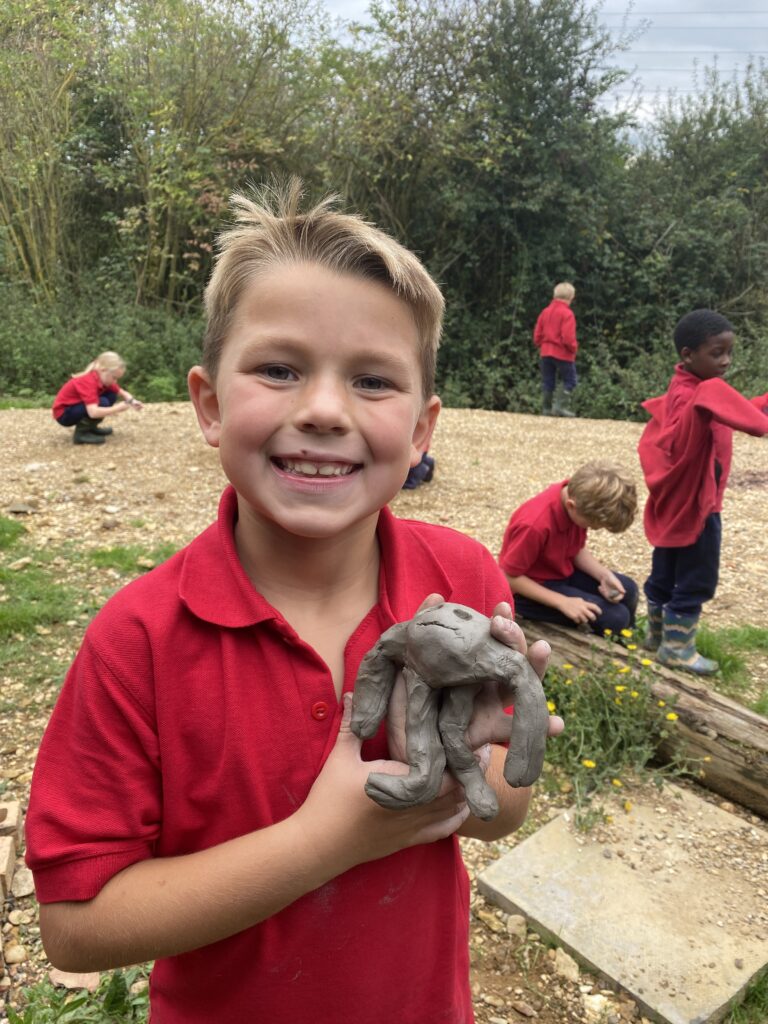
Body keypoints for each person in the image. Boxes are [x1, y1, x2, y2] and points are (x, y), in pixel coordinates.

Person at [26, 180, 560, 1024]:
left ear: (422, 431)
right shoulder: (138, 639)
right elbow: (76, 926)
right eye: (279, 369)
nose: (321, 410)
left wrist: (473, 762)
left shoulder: (463, 579)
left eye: (373, 380)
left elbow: (502, 806)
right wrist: (322, 842)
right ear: (208, 404)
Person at [638, 308, 768, 675]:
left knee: (665, 570)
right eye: (717, 353)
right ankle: (677, 649)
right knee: (697, 576)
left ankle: (655, 635)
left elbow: (739, 409)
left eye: (729, 352)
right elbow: (758, 425)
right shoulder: (707, 390)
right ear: (688, 355)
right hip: (700, 506)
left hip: (674, 503)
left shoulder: (683, 388)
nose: (726, 361)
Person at [499, 461, 638, 635]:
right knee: (616, 618)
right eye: (594, 525)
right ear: (572, 506)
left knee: (629, 590)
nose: (595, 529)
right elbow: (508, 577)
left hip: (560, 571)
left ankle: (628, 639)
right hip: (529, 591)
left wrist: (603, 575)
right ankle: (612, 645)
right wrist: (563, 602)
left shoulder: (579, 497)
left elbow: (575, 548)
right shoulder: (534, 525)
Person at [52, 351, 143, 445]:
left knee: (111, 394)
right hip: (64, 415)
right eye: (114, 378)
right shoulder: (88, 381)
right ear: (104, 370)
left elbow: (122, 392)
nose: (115, 382)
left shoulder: (102, 377)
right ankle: (81, 435)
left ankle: (91, 428)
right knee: (102, 402)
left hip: (74, 409)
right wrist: (117, 409)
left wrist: (132, 401)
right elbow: (93, 412)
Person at [533, 281, 578, 417]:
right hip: (562, 352)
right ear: (571, 297)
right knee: (570, 379)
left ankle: (546, 408)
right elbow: (568, 337)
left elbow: (537, 335)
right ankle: (559, 407)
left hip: (546, 352)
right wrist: (574, 348)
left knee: (548, 379)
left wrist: (542, 344)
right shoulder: (567, 314)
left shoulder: (545, 312)